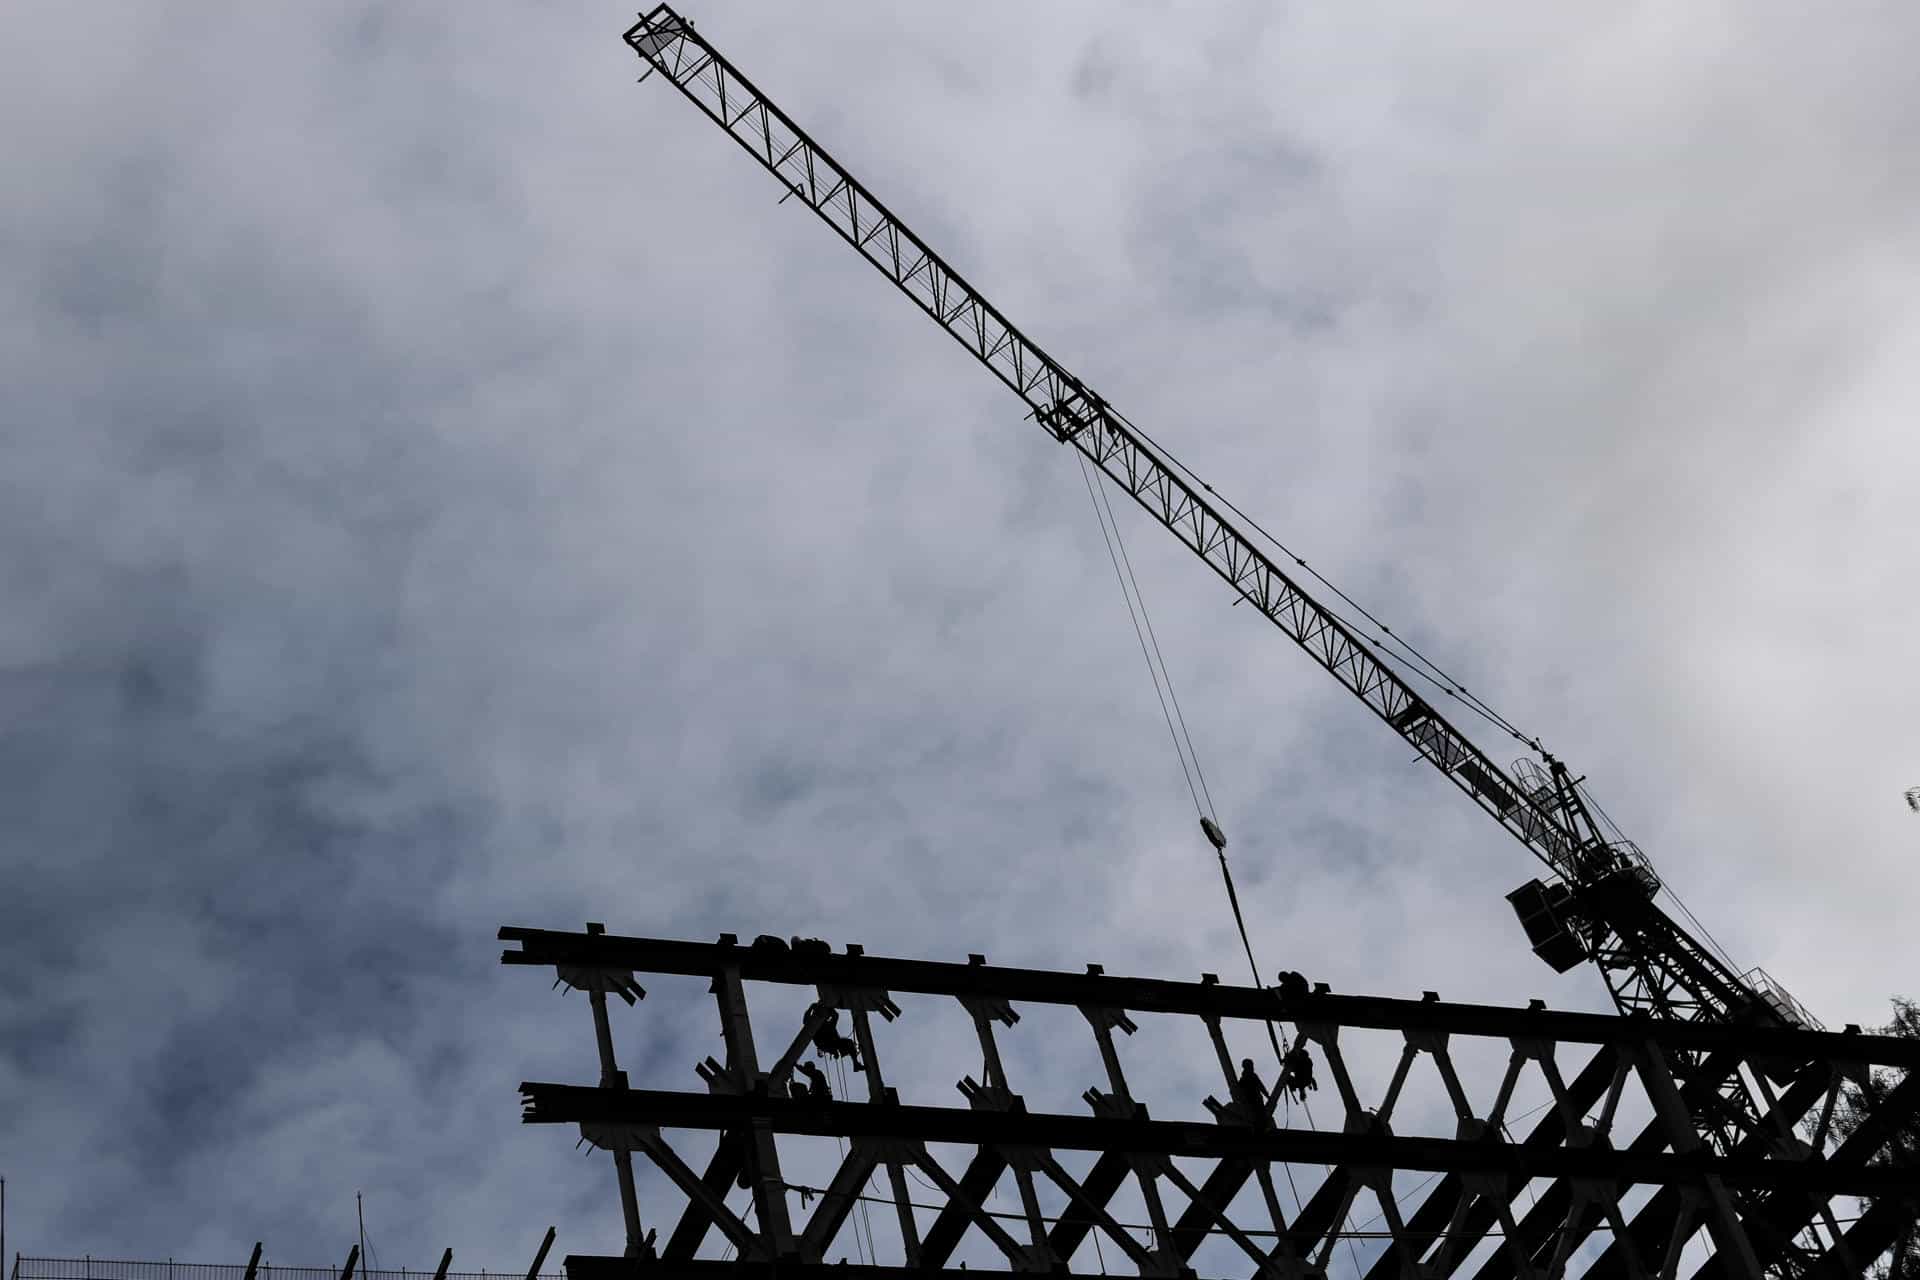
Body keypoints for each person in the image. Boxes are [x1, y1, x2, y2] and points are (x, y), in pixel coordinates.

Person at [811, 1006, 864, 1071]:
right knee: (849, 1044)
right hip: (829, 1043)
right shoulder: (823, 1026)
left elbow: (835, 1016)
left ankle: (856, 1064)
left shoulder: (824, 1025)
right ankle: (856, 1064)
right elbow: (835, 1016)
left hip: (832, 1043)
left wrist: (828, 1007)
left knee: (849, 1044)